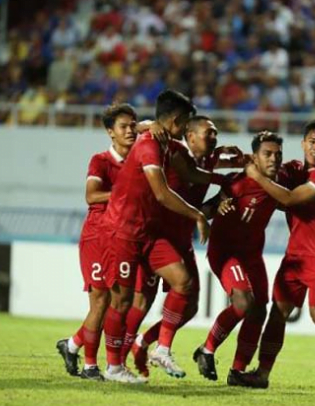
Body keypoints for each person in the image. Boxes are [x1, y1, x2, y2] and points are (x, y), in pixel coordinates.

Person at [99, 89, 220, 382]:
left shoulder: (167, 144)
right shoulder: (148, 145)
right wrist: (198, 215)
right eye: (185, 123)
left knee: (183, 282)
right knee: (123, 301)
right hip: (124, 231)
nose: (186, 130)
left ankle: (161, 348)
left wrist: (225, 179)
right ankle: (113, 366)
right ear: (176, 121)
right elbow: (162, 194)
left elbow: (190, 173)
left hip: (149, 233)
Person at [238, 120, 315, 394]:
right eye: (312, 142)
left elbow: (289, 199)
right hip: (294, 255)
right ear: (303, 143)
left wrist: (257, 176)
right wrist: (248, 163)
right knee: (278, 313)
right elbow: (270, 173)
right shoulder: (294, 169)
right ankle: (262, 374)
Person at [120, 116, 247, 378]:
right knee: (142, 301)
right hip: (156, 236)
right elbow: (137, 128)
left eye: (216, 133)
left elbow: (201, 208)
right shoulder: (173, 150)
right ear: (190, 136)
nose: (214, 137)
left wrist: (219, 203)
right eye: (208, 133)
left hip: (182, 238)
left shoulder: (211, 160)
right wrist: (150, 124)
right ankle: (117, 359)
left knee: (189, 306)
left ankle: (145, 343)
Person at [55, 103, 142, 382]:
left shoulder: (140, 160)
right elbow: (91, 196)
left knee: (117, 302)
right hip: (97, 236)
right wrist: (125, 192)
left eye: (133, 126)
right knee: (101, 301)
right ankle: (90, 366)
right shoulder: (101, 161)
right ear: (110, 132)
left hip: (123, 238)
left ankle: (71, 345)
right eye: (123, 127)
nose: (130, 131)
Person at [193, 131, 285, 385]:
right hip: (226, 252)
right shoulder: (238, 182)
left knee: (259, 310)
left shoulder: (280, 181)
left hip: (252, 254)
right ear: (254, 157)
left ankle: (237, 371)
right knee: (244, 302)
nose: (273, 159)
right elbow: (206, 209)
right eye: (267, 154)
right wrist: (218, 207)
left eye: (278, 154)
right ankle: (207, 350)